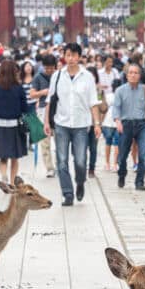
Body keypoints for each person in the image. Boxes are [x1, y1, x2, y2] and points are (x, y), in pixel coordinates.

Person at [44, 43, 101, 207]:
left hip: (81, 125)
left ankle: (80, 182)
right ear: (64, 56)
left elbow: (93, 102)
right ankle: (68, 193)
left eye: (74, 55)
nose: (71, 59)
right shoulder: (57, 76)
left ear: (79, 57)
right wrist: (47, 121)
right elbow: (50, 100)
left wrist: (97, 123)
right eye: (68, 55)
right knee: (61, 160)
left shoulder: (87, 77)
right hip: (61, 123)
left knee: (81, 161)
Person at [113, 63, 145, 191]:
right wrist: (117, 121)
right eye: (130, 72)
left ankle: (139, 182)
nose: (133, 75)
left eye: (136, 73)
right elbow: (116, 107)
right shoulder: (120, 90)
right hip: (126, 125)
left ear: (140, 75)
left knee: (143, 155)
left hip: (141, 124)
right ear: (126, 75)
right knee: (122, 156)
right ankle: (122, 174)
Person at [0, 59, 28, 183]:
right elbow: (24, 107)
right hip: (15, 125)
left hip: (0, 124)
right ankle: (12, 182)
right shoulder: (19, 88)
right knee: (15, 157)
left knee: (3, 157)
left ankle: (3, 175)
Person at [30, 54, 56, 177]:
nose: (49, 70)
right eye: (47, 68)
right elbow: (32, 94)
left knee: (60, 139)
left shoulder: (59, 76)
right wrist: (43, 92)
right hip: (42, 109)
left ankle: (60, 165)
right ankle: (49, 167)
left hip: (57, 110)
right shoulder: (38, 77)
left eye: (51, 68)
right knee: (45, 142)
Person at [101, 81, 120, 171]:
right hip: (118, 122)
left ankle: (107, 163)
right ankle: (115, 164)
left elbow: (103, 108)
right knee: (117, 143)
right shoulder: (122, 96)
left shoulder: (108, 96)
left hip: (107, 122)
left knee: (108, 143)